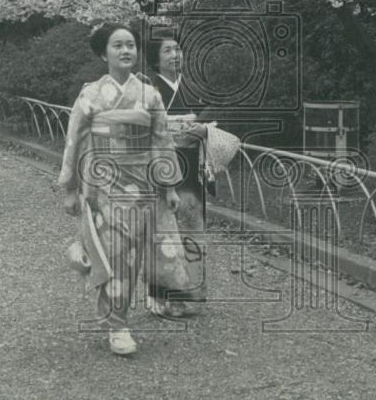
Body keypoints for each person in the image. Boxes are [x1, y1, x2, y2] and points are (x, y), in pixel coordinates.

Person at [57, 23, 193, 356]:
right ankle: (117, 324)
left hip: (143, 184)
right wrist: (70, 188)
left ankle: (120, 317)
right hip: (103, 183)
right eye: (117, 45)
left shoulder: (150, 94)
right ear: (103, 53)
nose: (126, 51)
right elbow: (73, 141)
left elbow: (162, 140)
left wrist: (170, 186)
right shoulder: (90, 94)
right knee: (115, 254)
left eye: (130, 45)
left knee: (134, 255)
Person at [144, 35, 240, 319]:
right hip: (162, 163)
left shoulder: (193, 85)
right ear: (155, 59)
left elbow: (214, 110)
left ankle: (190, 295)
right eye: (167, 50)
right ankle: (160, 296)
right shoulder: (148, 88)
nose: (175, 55)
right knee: (164, 233)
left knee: (193, 227)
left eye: (178, 49)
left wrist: (203, 128)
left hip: (192, 162)